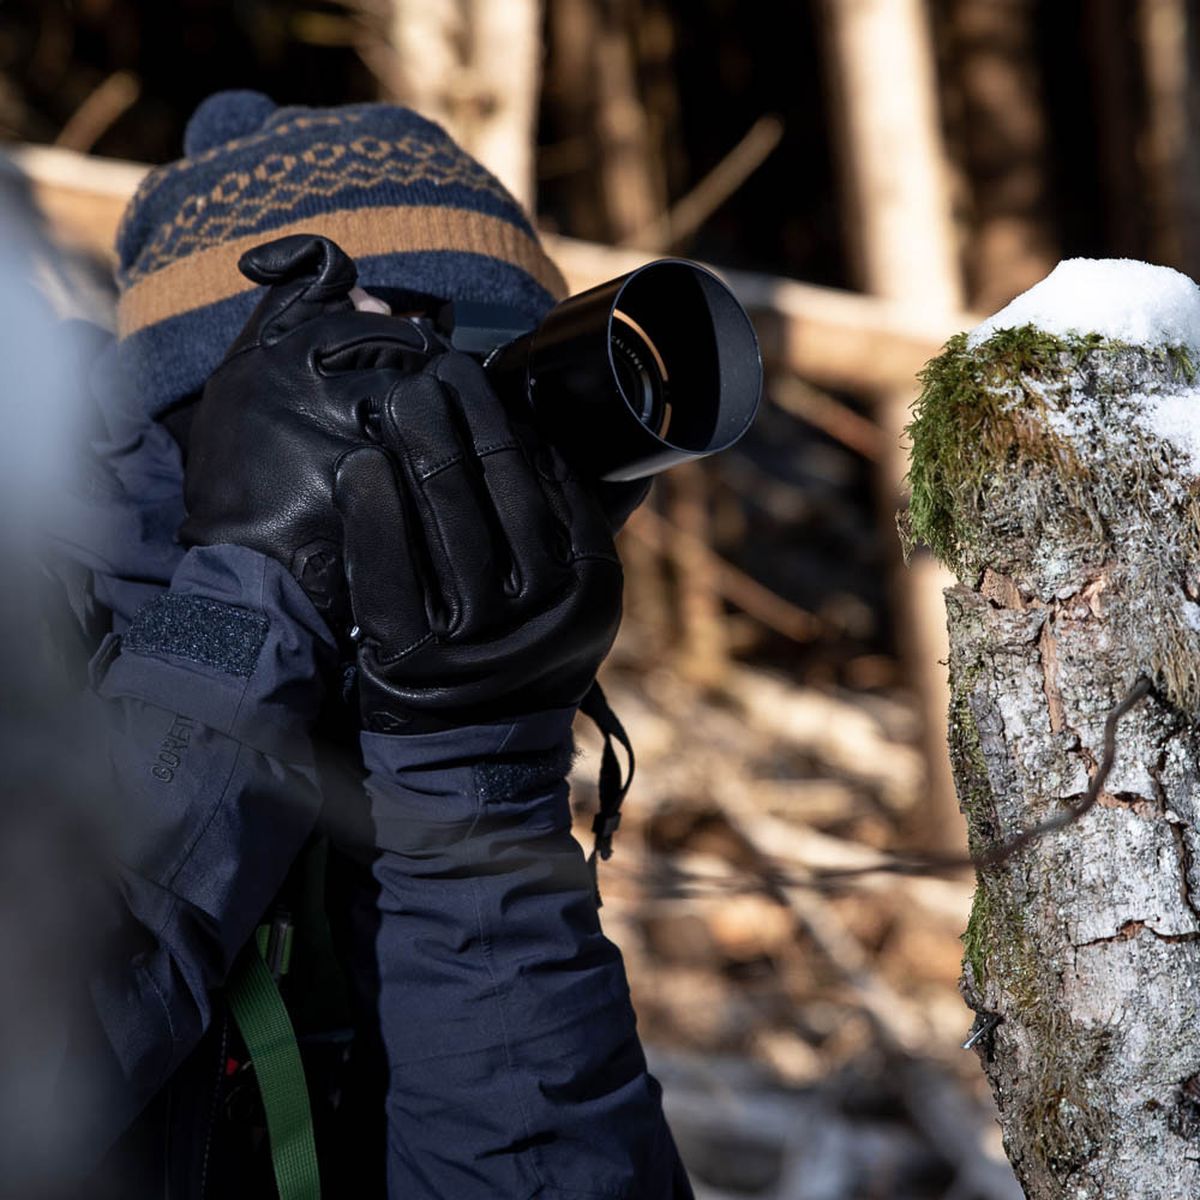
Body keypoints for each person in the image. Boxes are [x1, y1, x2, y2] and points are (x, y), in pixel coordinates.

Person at [47, 90, 693, 1197]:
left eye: (484, 372)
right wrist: (243, 604)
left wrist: (471, 776)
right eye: (372, 361)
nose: (441, 427)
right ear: (206, 408)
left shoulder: (419, 700)